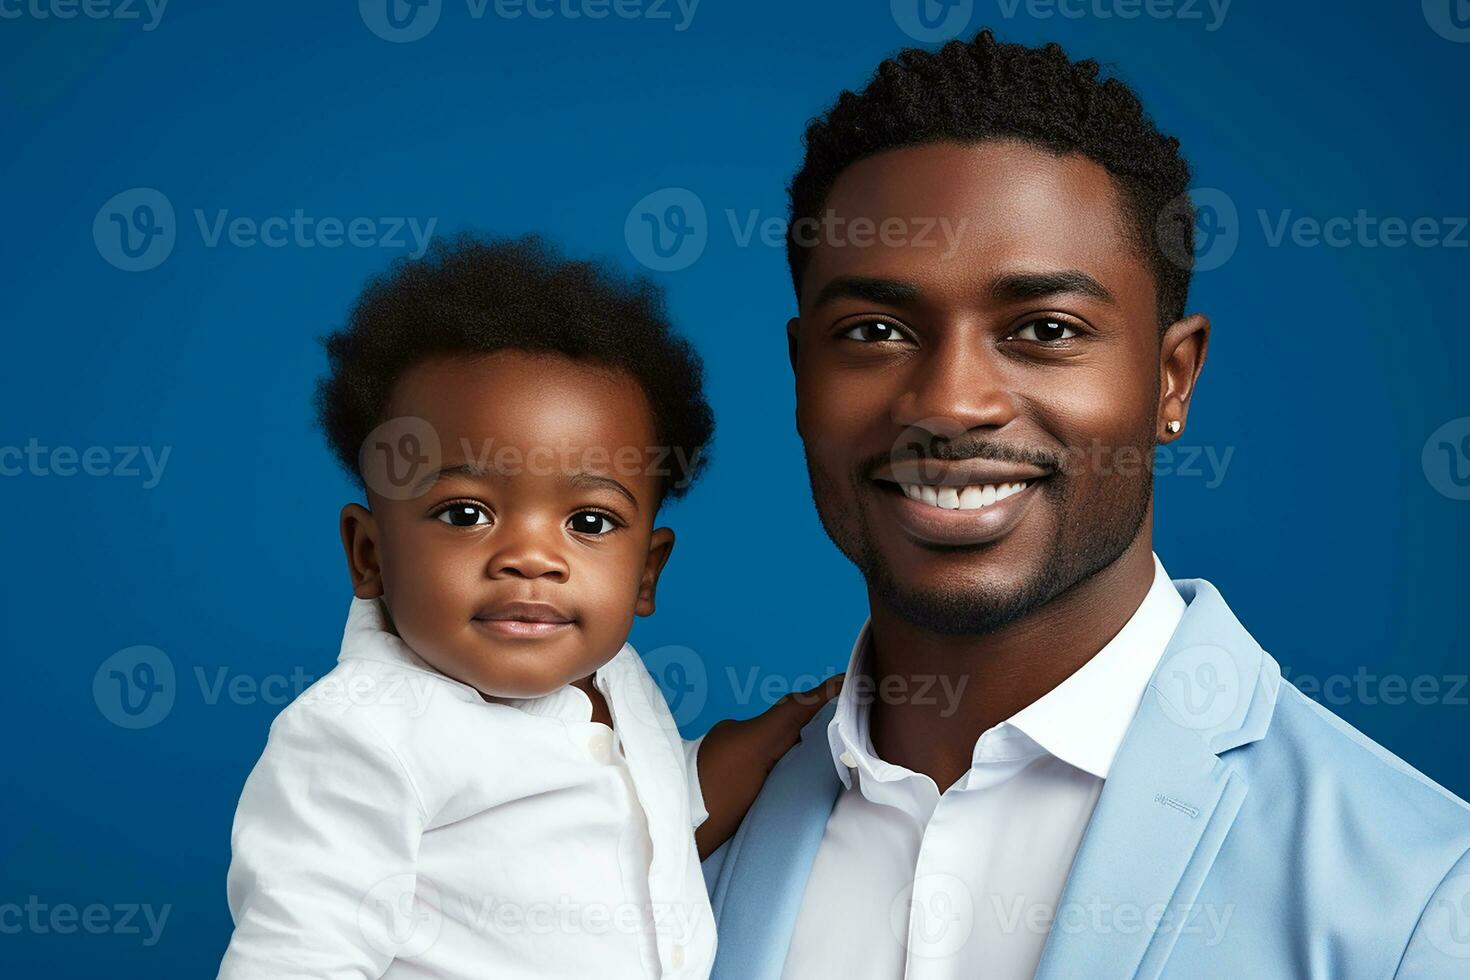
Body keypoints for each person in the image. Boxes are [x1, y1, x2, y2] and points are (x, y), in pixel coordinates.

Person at [702, 30, 1470, 979]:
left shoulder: (1419, 898)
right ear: (800, 375)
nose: (950, 402)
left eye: (1045, 330)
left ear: (1172, 380)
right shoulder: (658, 835)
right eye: (876, 331)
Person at [217, 234, 834, 979]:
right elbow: (294, 957)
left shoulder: (616, 682)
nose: (532, 556)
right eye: (465, 513)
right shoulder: (361, 737)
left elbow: (633, 830)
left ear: (646, 573)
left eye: (590, 523)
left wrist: (746, 755)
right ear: (369, 554)